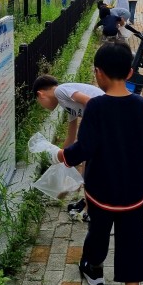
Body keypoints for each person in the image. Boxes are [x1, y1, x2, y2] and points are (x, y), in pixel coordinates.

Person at [48, 42, 143, 285]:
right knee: (133, 243)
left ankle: (93, 267)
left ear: (98, 73)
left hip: (100, 193)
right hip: (133, 195)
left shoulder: (95, 107)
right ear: (130, 73)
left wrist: (61, 155)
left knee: (98, 234)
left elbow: (85, 148)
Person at [33, 74, 104, 220]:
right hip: (102, 125)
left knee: (90, 167)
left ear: (40, 94)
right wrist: (60, 159)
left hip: (106, 121)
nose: (43, 107)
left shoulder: (60, 91)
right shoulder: (66, 104)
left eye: (39, 102)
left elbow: (91, 102)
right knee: (88, 167)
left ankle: (90, 210)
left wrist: (88, 132)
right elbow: (70, 138)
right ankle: (88, 204)